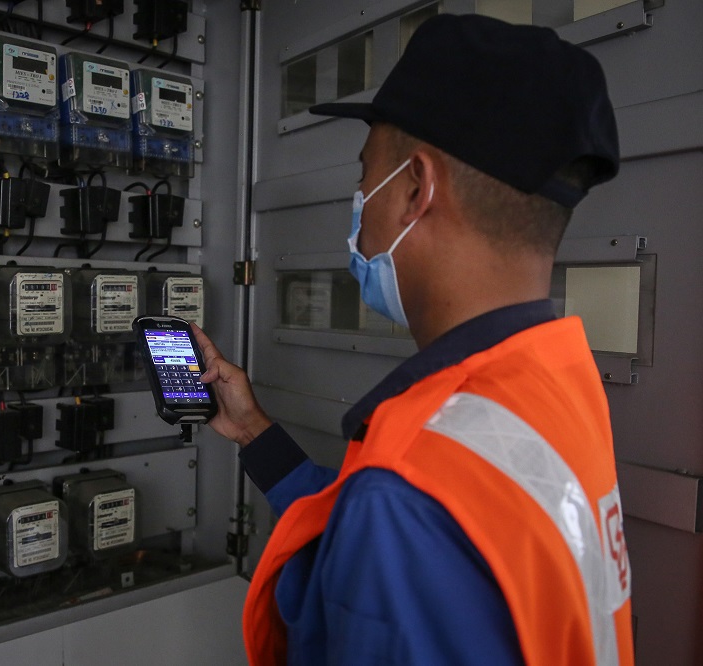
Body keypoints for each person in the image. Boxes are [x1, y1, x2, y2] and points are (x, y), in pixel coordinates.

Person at [193, 13, 634, 666]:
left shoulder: (406, 498)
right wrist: (256, 431)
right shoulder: (555, 387)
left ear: (415, 190)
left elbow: (396, 523)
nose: (359, 198)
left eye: (364, 173)